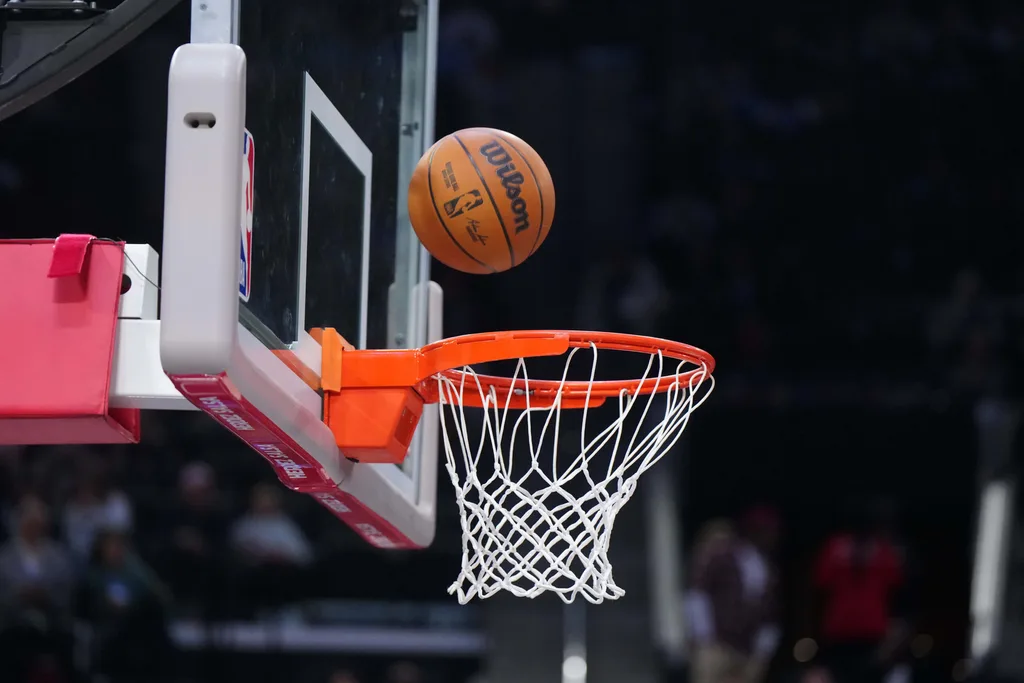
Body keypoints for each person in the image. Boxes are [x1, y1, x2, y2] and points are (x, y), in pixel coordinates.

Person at [814, 502, 907, 683]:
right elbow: (820, 586)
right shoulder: (835, 547)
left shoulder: (883, 550)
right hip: (838, 631)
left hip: (872, 633)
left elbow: (897, 591)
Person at [686, 507, 781, 683]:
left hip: (747, 649)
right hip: (717, 645)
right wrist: (704, 638)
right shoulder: (723, 558)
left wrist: (763, 650)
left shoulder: (767, 568)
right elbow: (698, 596)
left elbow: (768, 612)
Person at [78, 529, 172, 683]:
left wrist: (138, 568)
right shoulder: (94, 575)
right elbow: (90, 604)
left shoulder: (134, 573)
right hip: (108, 626)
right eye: (111, 546)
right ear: (101, 549)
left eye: (120, 546)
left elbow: (159, 594)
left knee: (150, 613)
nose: (116, 551)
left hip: (136, 625)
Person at [0, 495, 75, 681]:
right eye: (30, 523)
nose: (34, 528)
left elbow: (67, 591)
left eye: (38, 523)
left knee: (65, 639)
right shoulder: (4, 557)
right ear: (20, 524)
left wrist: (46, 595)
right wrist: (20, 595)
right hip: (14, 622)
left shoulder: (58, 555)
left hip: (52, 619)